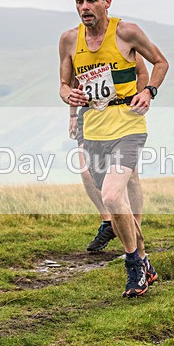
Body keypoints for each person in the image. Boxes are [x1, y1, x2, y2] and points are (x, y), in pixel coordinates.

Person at [59, 0, 169, 297]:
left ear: (106, 2)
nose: (85, 7)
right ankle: (144, 260)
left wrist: (148, 91)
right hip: (92, 127)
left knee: (110, 195)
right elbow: (64, 86)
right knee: (113, 196)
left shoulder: (127, 32)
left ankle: (133, 265)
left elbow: (161, 62)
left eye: (91, 0)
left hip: (128, 125)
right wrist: (70, 96)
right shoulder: (69, 40)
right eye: (79, 1)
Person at [71, 56, 149, 252]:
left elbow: (143, 71)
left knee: (131, 178)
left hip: (122, 116)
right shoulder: (79, 47)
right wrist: (72, 115)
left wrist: (139, 97)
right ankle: (108, 222)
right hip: (90, 116)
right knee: (86, 171)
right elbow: (73, 83)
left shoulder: (120, 43)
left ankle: (134, 227)